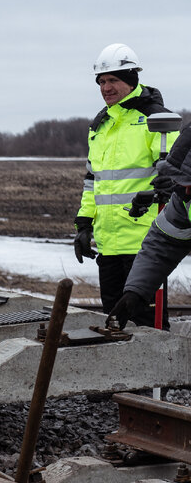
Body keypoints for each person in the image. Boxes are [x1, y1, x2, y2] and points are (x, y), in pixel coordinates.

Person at [75, 43, 179, 319]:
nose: (106, 87)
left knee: (147, 326)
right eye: (101, 81)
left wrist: (168, 184)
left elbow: (174, 173)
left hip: (144, 245)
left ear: (131, 80)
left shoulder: (155, 119)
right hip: (108, 244)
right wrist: (84, 223)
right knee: (113, 322)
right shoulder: (100, 126)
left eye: (113, 80)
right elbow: (92, 180)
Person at [111, 124, 190, 327]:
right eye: (181, 181)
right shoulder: (184, 197)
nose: (185, 189)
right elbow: (163, 243)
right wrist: (135, 292)